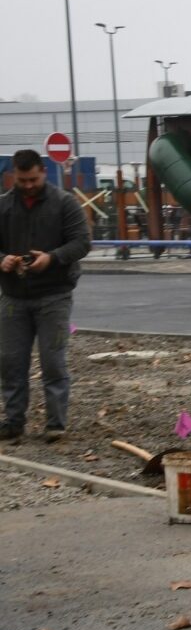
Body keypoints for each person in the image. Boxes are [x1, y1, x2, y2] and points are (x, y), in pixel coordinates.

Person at [1, 150, 92, 442]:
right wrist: (3, 260)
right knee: (11, 362)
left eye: (33, 179)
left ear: (43, 172)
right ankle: (13, 421)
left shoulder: (64, 203)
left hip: (54, 295)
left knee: (53, 361)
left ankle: (55, 424)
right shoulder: (4, 206)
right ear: (14, 174)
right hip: (14, 297)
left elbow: (81, 242)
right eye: (22, 179)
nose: (28, 185)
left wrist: (52, 258)